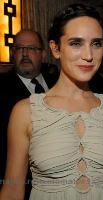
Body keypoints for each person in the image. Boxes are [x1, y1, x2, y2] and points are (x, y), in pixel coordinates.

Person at [0, 3, 103, 200]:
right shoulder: (26, 111)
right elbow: (12, 190)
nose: (88, 56)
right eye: (76, 43)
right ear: (55, 49)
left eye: (96, 43)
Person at [0, 30, 58, 199]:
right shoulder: (1, 88)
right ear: (13, 53)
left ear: (43, 54)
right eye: (19, 48)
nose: (25, 54)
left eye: (31, 48)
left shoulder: (60, 82)